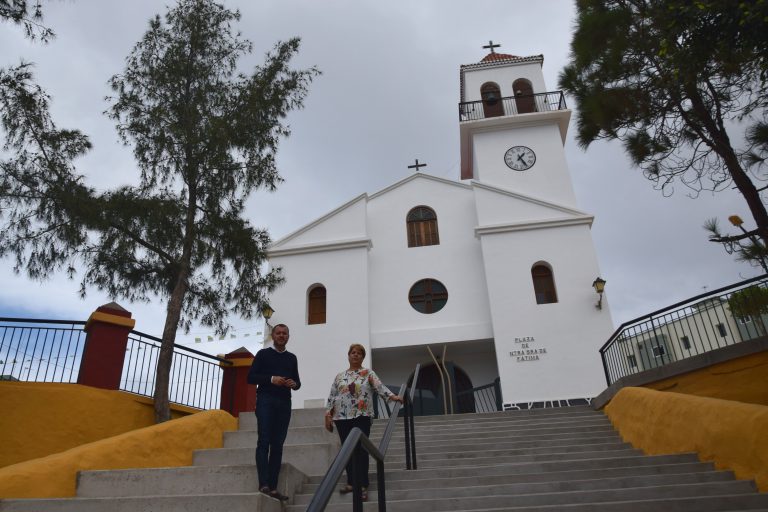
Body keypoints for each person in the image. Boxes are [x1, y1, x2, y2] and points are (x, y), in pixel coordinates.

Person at [324, 343, 402, 502]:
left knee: (361, 449)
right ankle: (351, 483)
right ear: (348, 355)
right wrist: (328, 414)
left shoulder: (368, 373)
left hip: (362, 415)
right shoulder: (339, 376)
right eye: (353, 352)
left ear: (362, 357)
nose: (355, 355)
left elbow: (379, 387)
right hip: (342, 418)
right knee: (347, 449)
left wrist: (392, 396)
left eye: (359, 353)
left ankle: (363, 485)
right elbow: (332, 395)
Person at [247, 323, 300, 502]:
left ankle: (273, 487)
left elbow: (298, 382)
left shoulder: (292, 358)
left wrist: (294, 384)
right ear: (273, 335)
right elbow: (251, 377)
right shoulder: (263, 354)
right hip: (265, 401)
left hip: (284, 403)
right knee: (264, 441)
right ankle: (264, 484)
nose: (281, 335)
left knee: (278, 445)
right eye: (278, 333)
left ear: (288, 337)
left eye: (285, 333)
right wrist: (271, 379)